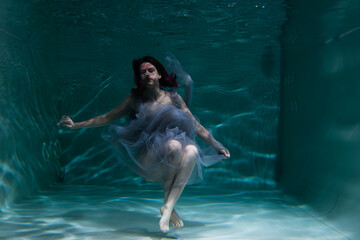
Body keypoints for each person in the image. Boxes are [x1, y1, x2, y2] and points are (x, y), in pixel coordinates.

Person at [58, 56, 230, 233]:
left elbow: (194, 123)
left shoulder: (174, 98)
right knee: (174, 146)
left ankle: (168, 207)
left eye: (151, 70)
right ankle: (168, 206)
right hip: (148, 158)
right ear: (139, 78)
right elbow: (106, 118)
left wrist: (216, 145)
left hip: (172, 154)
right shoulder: (134, 100)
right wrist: (77, 124)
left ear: (159, 75)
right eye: (143, 72)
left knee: (192, 150)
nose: (147, 74)